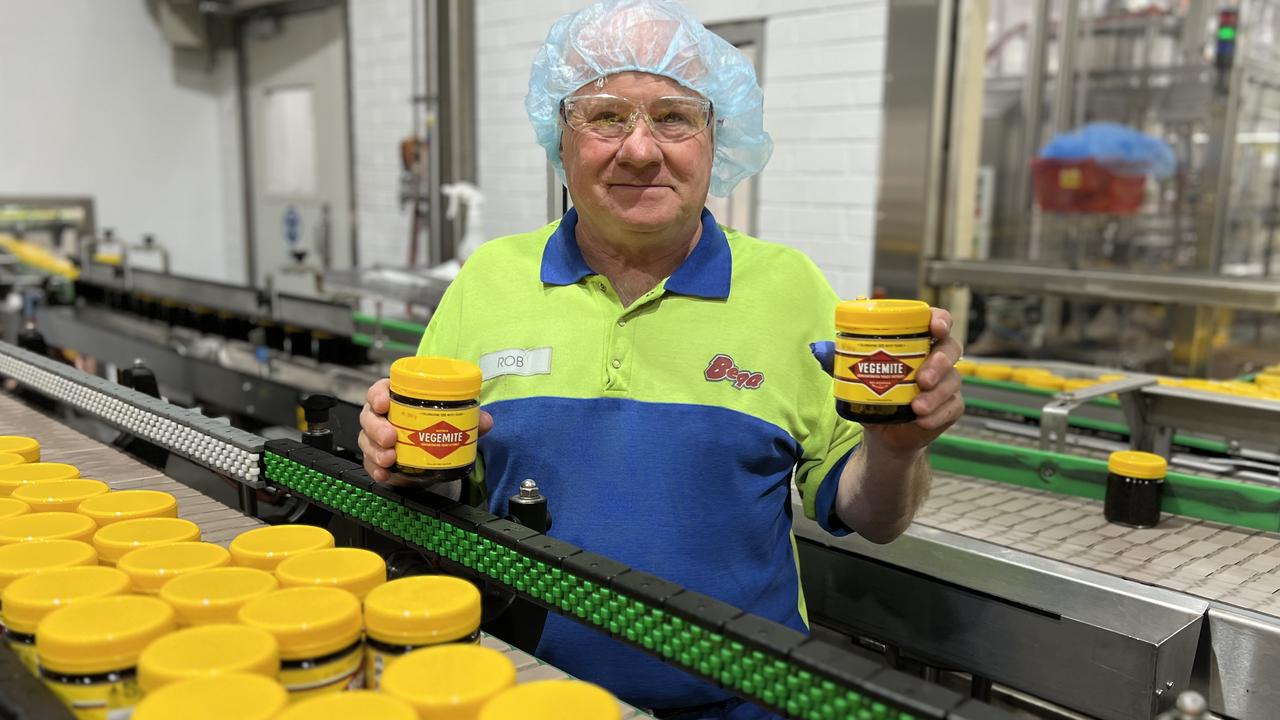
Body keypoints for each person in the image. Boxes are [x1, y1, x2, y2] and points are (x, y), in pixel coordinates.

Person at [358, 1, 963, 717]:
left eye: (674, 117)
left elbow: (871, 517)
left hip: (743, 702)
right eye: (607, 116)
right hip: (520, 694)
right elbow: (437, 482)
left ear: (715, 137)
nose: (640, 150)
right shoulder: (488, 281)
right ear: (562, 136)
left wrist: (894, 451)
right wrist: (393, 457)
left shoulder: (789, 288)